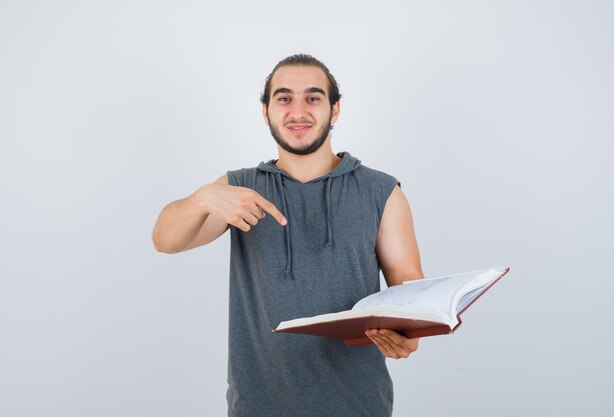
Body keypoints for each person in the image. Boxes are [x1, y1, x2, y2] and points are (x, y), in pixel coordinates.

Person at [152, 54, 424, 417]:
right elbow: (165, 240)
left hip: (358, 405)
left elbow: (408, 283)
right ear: (265, 111)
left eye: (313, 98)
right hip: (257, 407)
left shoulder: (381, 190)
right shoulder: (239, 188)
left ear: (335, 110)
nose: (298, 111)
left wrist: (410, 333)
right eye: (284, 98)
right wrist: (203, 197)